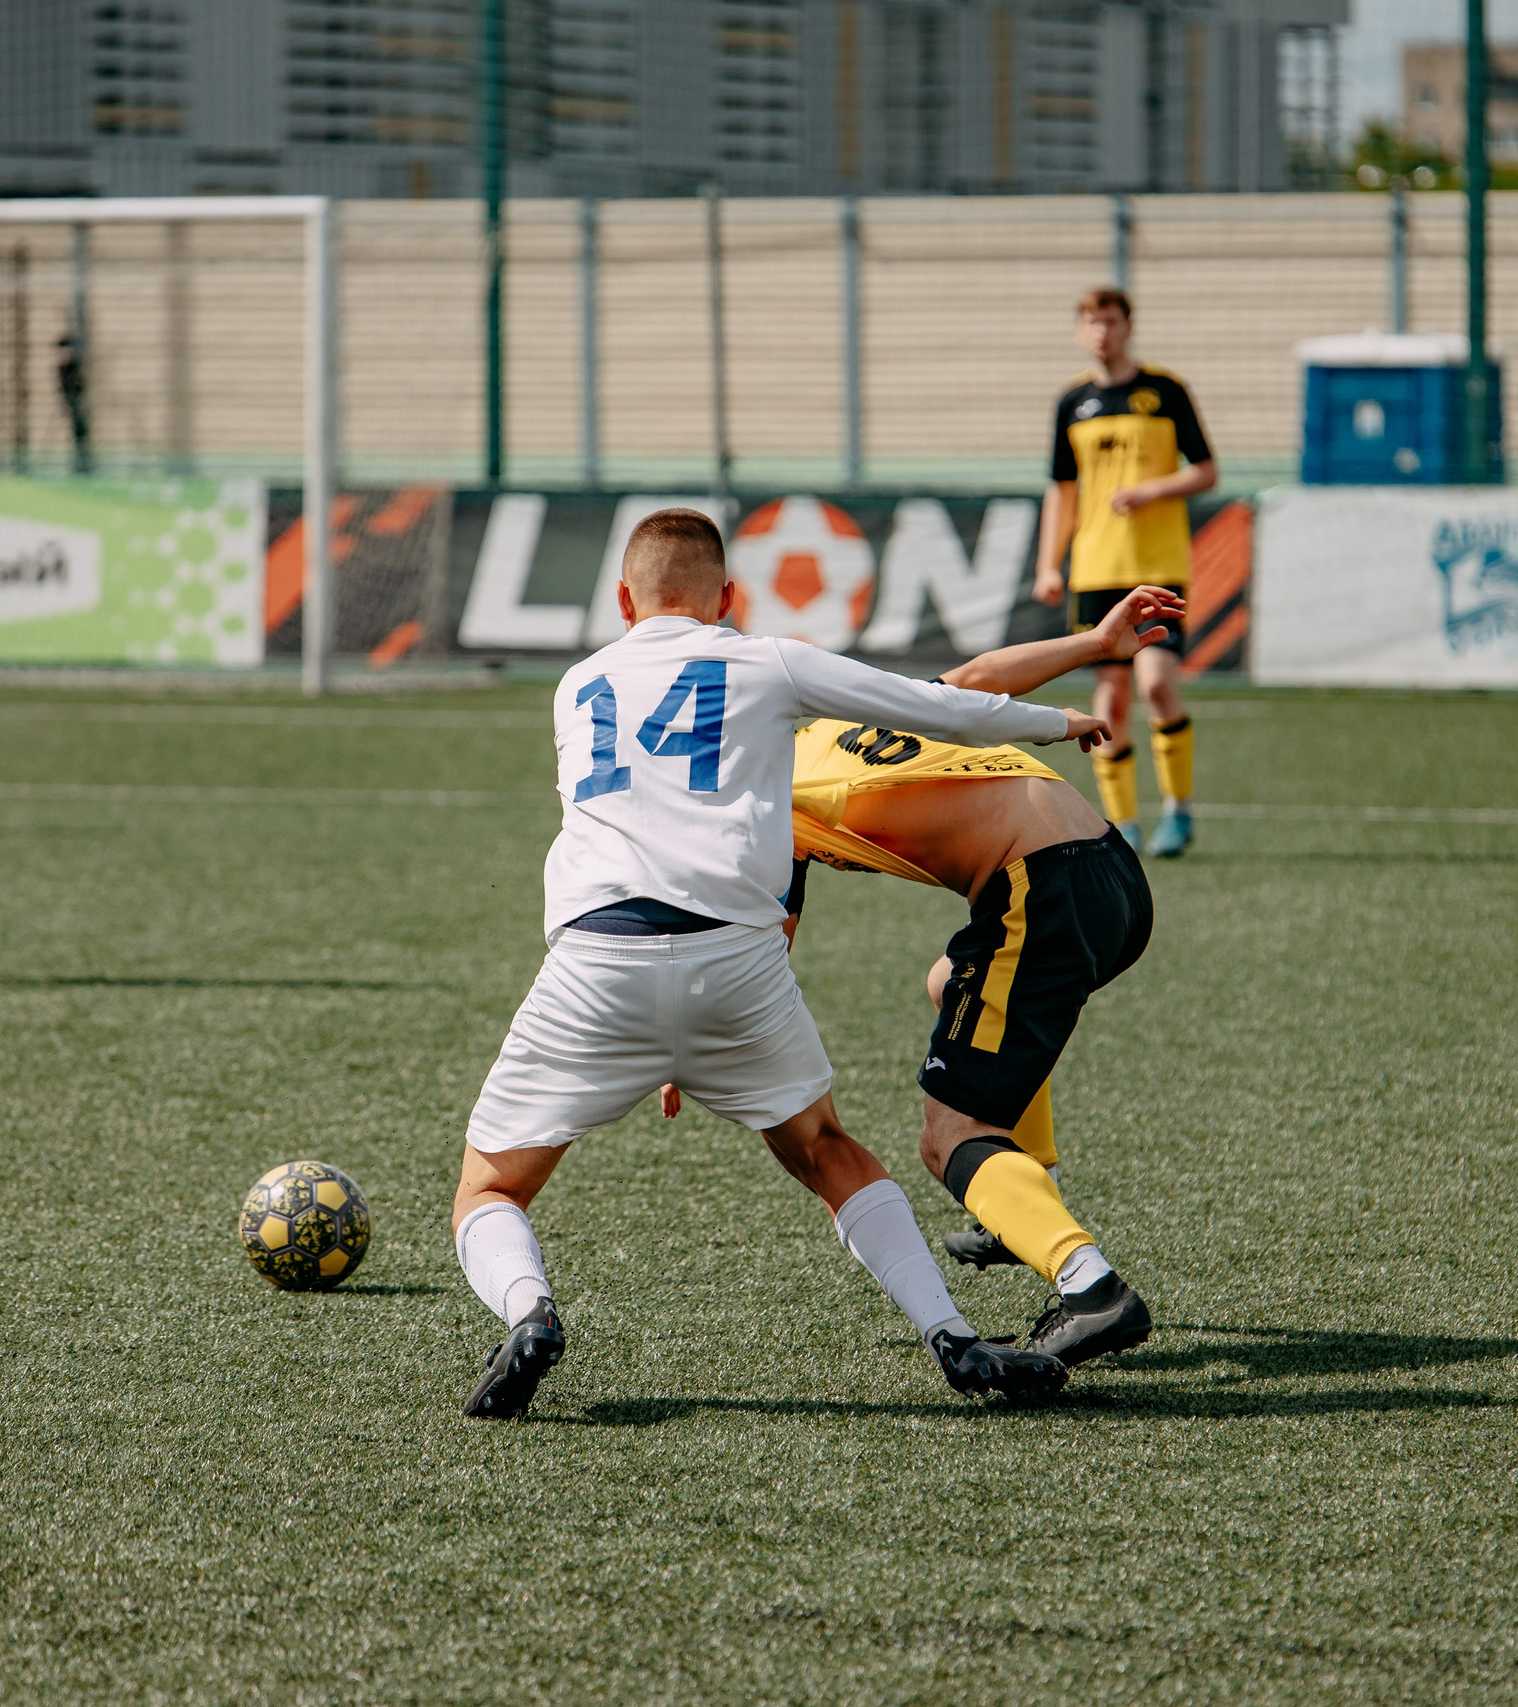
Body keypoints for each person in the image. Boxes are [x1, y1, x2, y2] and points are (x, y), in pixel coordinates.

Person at [452, 508, 1111, 1419]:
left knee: (490, 1185)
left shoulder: (576, 684)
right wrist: (1056, 720)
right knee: (827, 1150)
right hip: (737, 961)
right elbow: (932, 704)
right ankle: (952, 1335)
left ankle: (529, 1312)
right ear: (728, 598)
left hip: (596, 963)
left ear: (621, 599)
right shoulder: (764, 656)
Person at [755, 585, 1180, 1370]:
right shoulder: (851, 720)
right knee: (950, 980)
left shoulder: (769, 795)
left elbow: (766, 943)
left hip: (1041, 890)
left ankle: (1093, 1287)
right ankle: (1022, 1189)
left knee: (949, 1134)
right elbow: (987, 674)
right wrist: (1097, 642)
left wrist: (699, 1042)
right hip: (1116, 876)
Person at [1031, 287, 1218, 860]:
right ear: (1080, 330)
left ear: (1127, 326)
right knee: (1109, 706)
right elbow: (1062, 493)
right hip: (1095, 570)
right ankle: (1124, 824)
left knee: (1157, 683)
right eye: (1090, 321)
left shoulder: (1165, 392)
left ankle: (1179, 810)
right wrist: (1049, 563)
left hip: (1157, 565)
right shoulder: (1072, 403)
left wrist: (1151, 490)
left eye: (1109, 321)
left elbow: (1207, 471)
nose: (1101, 332)